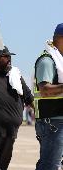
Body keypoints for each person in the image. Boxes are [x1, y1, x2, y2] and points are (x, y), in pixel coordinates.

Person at [34, 23, 63, 170]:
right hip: (53, 122)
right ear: (59, 39)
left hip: (57, 121)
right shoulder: (47, 60)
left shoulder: (59, 61)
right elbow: (44, 90)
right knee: (50, 165)